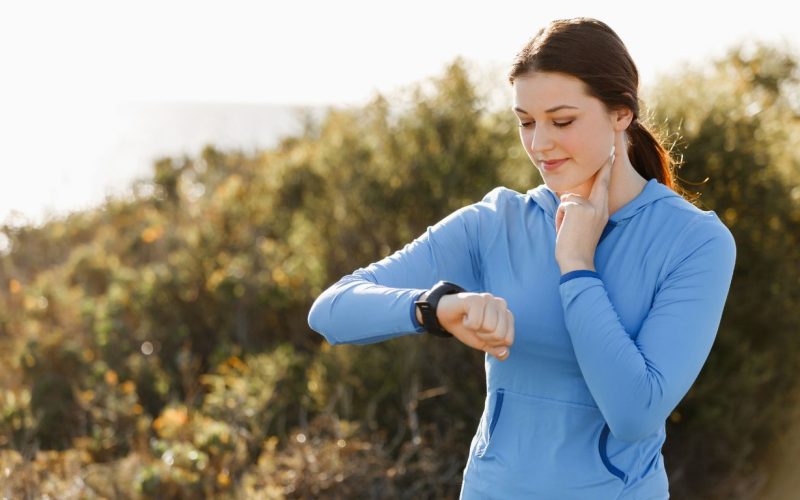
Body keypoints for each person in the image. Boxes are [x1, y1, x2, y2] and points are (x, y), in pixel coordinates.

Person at [307, 17, 736, 499]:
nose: (539, 144)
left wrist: (577, 265)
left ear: (621, 113)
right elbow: (332, 310)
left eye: (562, 121)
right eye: (526, 123)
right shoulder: (496, 222)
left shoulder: (695, 241)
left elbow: (635, 414)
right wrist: (437, 308)